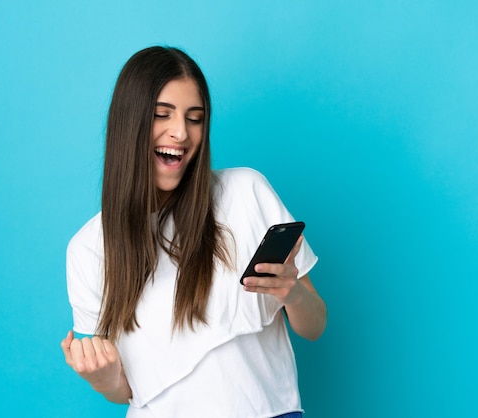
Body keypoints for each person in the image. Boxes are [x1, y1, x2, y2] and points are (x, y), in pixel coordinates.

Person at [61, 46, 327, 418]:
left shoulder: (245, 192)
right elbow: (125, 392)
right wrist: (104, 380)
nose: (181, 132)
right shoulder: (89, 249)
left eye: (195, 118)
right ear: (129, 123)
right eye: (161, 115)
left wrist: (293, 293)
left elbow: (315, 325)